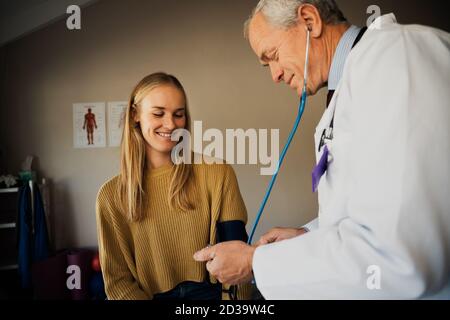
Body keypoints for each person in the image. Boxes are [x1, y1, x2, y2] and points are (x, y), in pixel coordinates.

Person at [194, 0, 450, 299]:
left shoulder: (395, 57)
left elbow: (403, 255)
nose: (274, 75)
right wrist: (309, 235)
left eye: (273, 56)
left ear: (309, 20)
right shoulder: (347, 91)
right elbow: (369, 207)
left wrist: (256, 262)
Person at [96, 72, 252, 300]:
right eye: (158, 113)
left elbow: (239, 262)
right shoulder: (109, 197)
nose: (171, 124)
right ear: (135, 115)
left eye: (178, 115)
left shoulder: (218, 174)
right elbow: (118, 283)